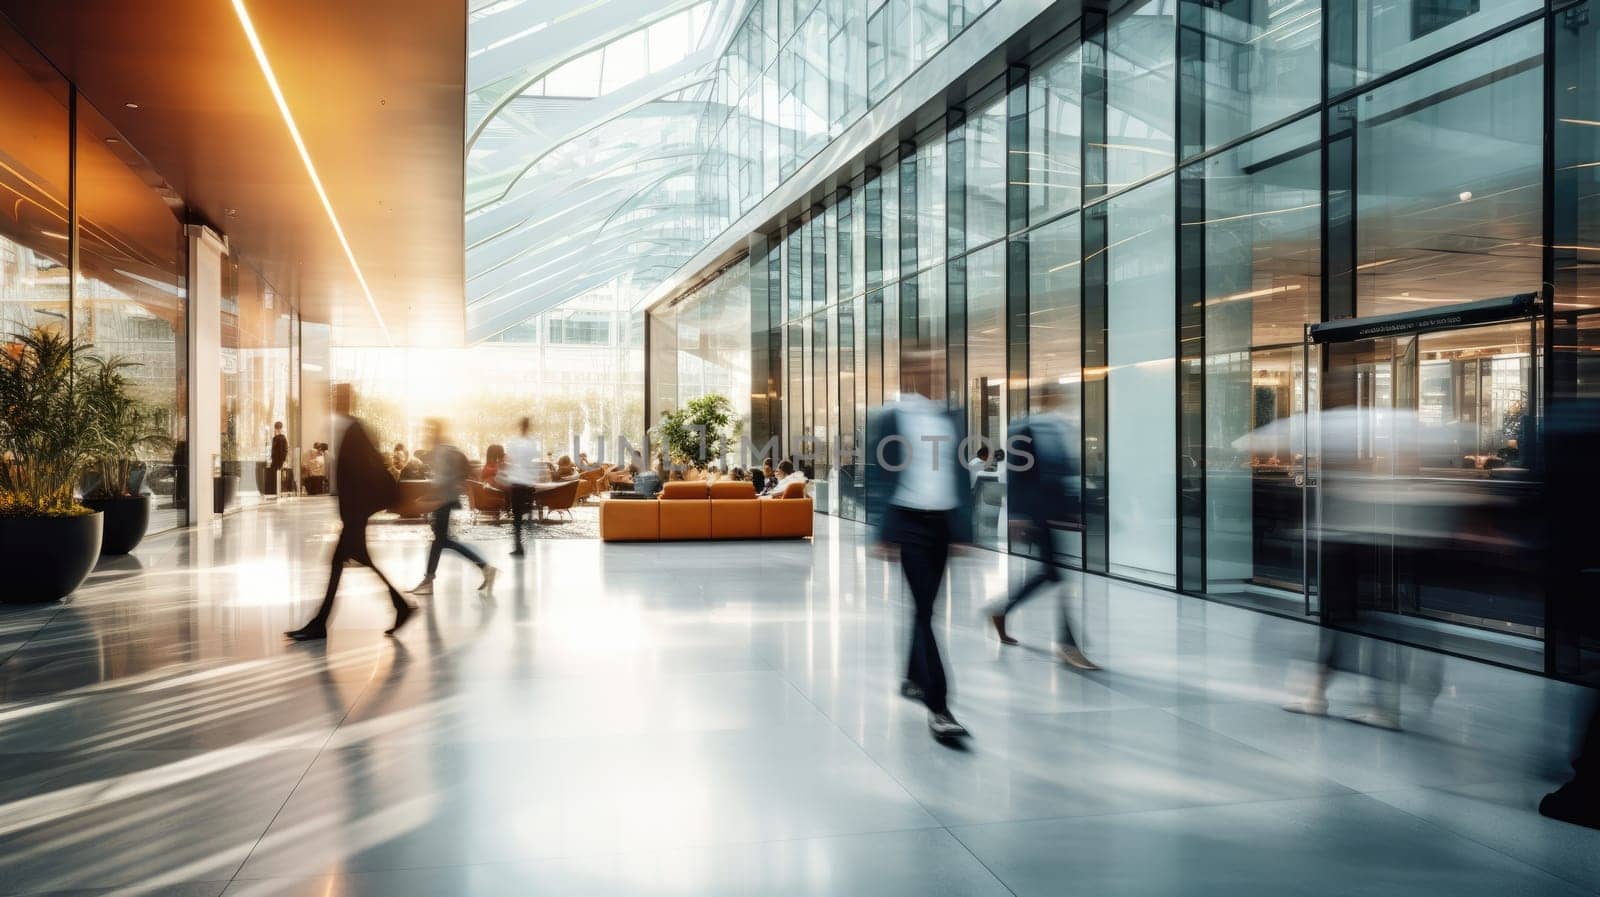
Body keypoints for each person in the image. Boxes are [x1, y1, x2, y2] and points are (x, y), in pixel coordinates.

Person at [866, 347, 975, 741]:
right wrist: (883, 531)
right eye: (926, 368)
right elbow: (879, 476)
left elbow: (959, 472)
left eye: (939, 368)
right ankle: (939, 706)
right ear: (910, 373)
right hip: (909, 520)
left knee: (926, 607)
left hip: (943, 523)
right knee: (927, 614)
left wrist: (965, 529)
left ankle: (913, 675)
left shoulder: (952, 415)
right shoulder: (892, 416)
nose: (935, 374)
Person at [286, 385, 414, 641]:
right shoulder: (347, 429)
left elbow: (366, 474)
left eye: (338, 397)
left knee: (338, 563)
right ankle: (401, 607)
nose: (333, 402)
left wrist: (356, 514)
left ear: (347, 400)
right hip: (353, 515)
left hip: (355, 515)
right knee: (351, 562)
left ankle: (320, 624)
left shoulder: (355, 430)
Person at [985, 381, 1098, 670]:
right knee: (1055, 574)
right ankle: (1067, 643)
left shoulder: (1061, 428)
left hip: (1055, 512)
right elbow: (1017, 475)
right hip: (1035, 514)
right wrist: (1017, 515)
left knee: (1051, 573)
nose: (1060, 399)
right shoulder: (1024, 429)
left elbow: (1065, 474)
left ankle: (1002, 611)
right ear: (1044, 398)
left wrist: (1073, 510)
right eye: (1055, 394)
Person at [410, 419, 498, 597]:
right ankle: (430, 579)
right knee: (440, 541)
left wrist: (426, 497)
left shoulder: (442, 452)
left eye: (428, 430)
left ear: (435, 432)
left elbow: (442, 480)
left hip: (443, 499)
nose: (426, 434)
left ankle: (485, 567)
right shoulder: (447, 449)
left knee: (443, 541)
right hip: (447, 499)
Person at [499, 417, 545, 556]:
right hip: (528, 482)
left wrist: (503, 474)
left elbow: (509, 460)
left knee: (517, 515)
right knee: (526, 510)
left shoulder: (514, 443)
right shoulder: (531, 443)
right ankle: (529, 522)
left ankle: (519, 546)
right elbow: (534, 460)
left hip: (518, 482)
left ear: (520, 426)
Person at [269, 421, 288, 496]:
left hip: (280, 460)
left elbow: (285, 450)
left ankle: (279, 491)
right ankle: (275, 491)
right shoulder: (274, 438)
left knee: (279, 475)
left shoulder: (283, 438)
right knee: (274, 475)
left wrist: (284, 460)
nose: (277, 429)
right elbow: (273, 450)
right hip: (275, 460)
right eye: (276, 428)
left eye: (279, 428)